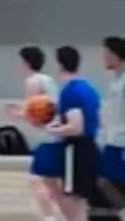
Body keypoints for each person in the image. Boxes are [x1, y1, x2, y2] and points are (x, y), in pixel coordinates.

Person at [44, 45, 101, 221]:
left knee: (72, 200)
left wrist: (51, 129)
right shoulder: (90, 89)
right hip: (91, 146)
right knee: (80, 201)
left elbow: (76, 127)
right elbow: (99, 121)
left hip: (75, 150)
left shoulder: (69, 91)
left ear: (59, 65)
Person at [7, 45, 61, 221]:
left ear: (26, 63)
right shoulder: (49, 80)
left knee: (36, 179)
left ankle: (49, 218)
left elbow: (35, 115)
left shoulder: (32, 81)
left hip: (49, 136)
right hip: (58, 134)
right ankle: (65, 215)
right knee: (52, 182)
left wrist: (17, 114)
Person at [98, 36, 125, 218]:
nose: (104, 58)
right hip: (113, 140)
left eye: (108, 54)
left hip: (122, 142)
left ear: (118, 56)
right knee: (103, 180)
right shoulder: (115, 80)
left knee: (104, 180)